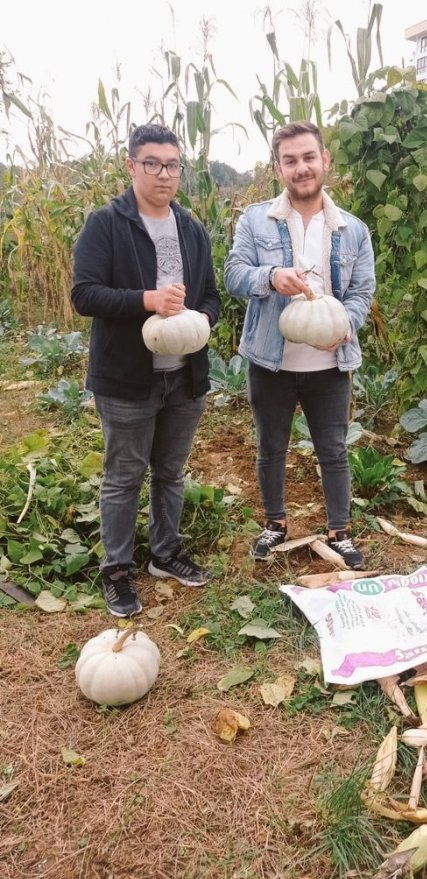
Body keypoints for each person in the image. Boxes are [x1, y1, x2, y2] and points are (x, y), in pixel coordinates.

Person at [71, 123, 220, 618]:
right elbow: (84, 294)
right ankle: (116, 569)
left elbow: (211, 298)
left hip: (184, 374)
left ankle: (165, 553)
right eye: (152, 163)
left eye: (172, 165)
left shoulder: (192, 229)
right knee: (124, 475)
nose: (163, 174)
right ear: (131, 165)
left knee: (171, 472)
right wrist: (147, 301)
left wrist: (203, 320)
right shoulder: (106, 224)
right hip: (127, 377)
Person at [224, 120, 375, 569]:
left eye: (309, 157)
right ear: (278, 168)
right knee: (272, 446)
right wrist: (270, 278)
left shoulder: (352, 229)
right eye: (290, 160)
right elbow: (233, 275)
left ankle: (339, 532)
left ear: (325, 160)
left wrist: (345, 322)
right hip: (271, 360)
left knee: (333, 448)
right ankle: (274, 525)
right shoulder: (256, 220)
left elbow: (362, 291)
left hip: (329, 363)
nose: (301, 167)